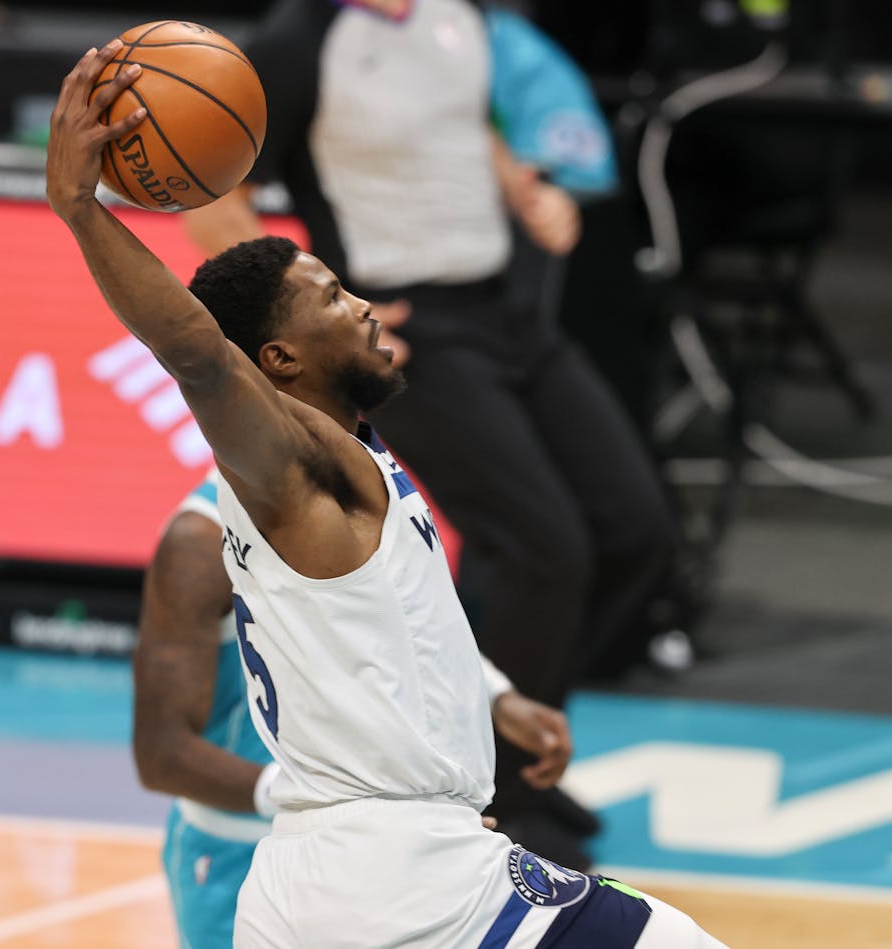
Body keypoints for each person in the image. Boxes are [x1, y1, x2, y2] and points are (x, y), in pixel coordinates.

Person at [46, 42, 725, 947]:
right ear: (280, 361)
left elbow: (391, 623)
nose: (363, 304)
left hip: (362, 868)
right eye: (330, 298)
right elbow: (201, 355)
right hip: (385, 878)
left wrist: (488, 702)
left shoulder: (348, 464)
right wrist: (80, 210)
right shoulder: (296, 463)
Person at [183, 0, 680, 861]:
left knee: (636, 529)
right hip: (407, 329)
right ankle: (499, 803)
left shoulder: (462, 16)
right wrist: (323, 318)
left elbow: (462, 122)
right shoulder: (303, 43)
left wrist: (523, 190)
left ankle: (506, 761)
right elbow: (212, 196)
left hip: (510, 311)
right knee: (542, 545)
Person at [134, 470, 573, 949]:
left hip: (368, 845)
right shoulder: (197, 542)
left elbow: (410, 620)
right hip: (240, 852)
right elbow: (163, 757)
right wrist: (359, 799)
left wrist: (497, 696)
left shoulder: (360, 481)